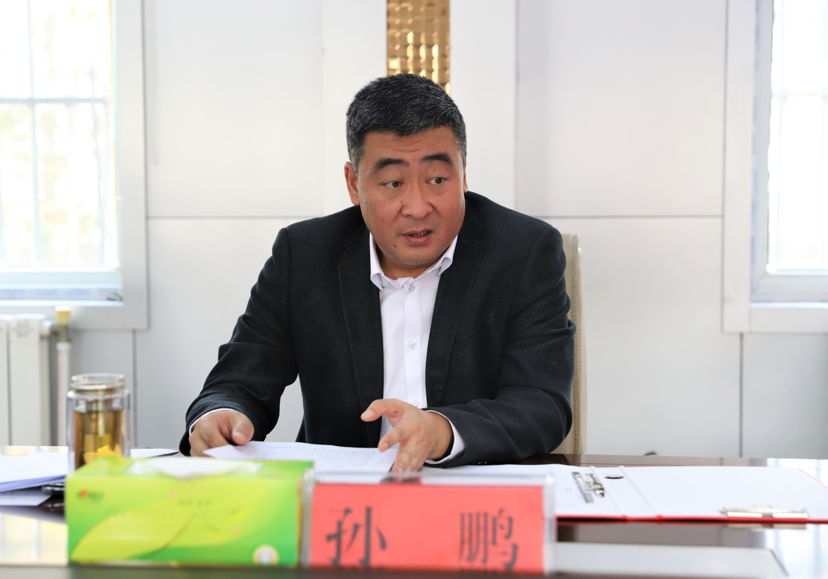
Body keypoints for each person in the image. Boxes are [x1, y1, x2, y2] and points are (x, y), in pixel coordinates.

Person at [181, 74, 575, 470]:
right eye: (393, 183)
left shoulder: (524, 251)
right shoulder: (303, 255)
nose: (418, 207)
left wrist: (440, 431)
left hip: (475, 488)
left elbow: (541, 405)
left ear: (464, 173)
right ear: (354, 184)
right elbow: (239, 380)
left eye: (438, 179)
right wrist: (220, 414)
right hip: (341, 495)